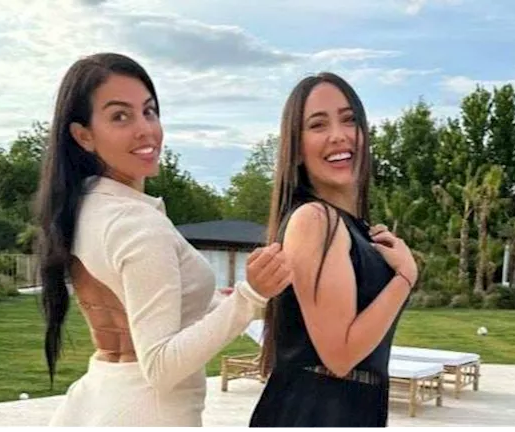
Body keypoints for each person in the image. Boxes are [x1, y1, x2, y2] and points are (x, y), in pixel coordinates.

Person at [35, 52, 291, 427]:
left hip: (97, 402)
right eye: (120, 116)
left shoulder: (82, 208)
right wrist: (250, 296)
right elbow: (160, 365)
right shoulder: (138, 224)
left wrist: (222, 303)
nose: (146, 130)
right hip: (149, 415)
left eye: (149, 111)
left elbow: (135, 305)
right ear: (83, 135)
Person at [248, 72, 418, 429]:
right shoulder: (314, 220)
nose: (338, 135)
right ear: (296, 148)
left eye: (349, 119)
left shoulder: (350, 226)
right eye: (318, 124)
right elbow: (339, 356)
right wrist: (404, 277)